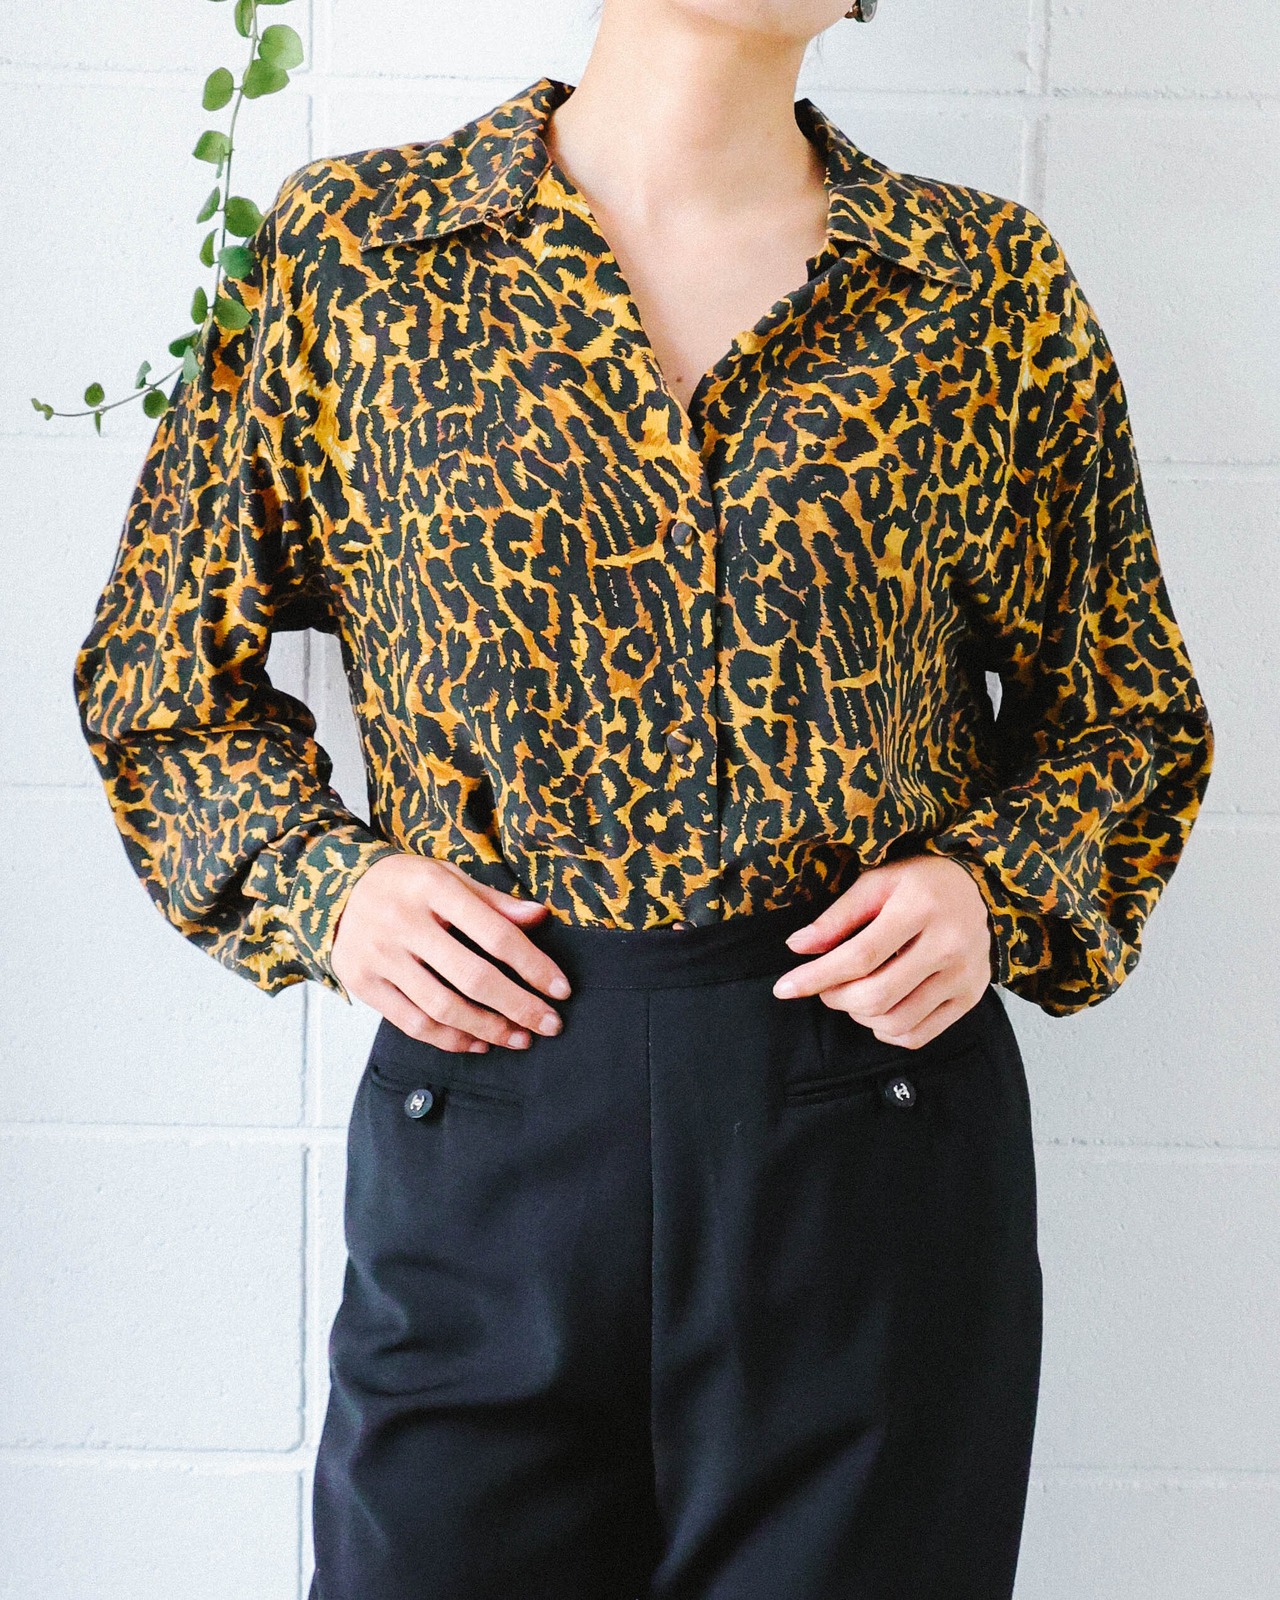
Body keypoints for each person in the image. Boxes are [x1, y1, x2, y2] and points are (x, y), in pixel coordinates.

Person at [73, 1, 1214, 1596]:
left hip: (866, 1124)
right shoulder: (356, 255)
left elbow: (1128, 712)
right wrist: (328, 886)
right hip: (494, 1109)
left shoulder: (979, 289)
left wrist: (990, 886)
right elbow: (158, 679)